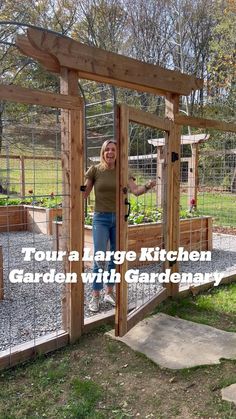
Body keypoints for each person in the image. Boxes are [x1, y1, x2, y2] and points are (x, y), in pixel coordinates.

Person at [84, 139, 156, 312]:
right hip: (100, 218)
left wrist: (147, 186)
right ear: (103, 152)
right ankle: (95, 295)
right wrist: (74, 187)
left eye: (113, 150)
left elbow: (136, 191)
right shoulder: (95, 170)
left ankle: (109, 292)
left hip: (118, 219)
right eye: (107, 149)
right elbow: (84, 192)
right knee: (99, 257)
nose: (110, 152)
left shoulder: (123, 171)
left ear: (117, 153)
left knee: (114, 258)